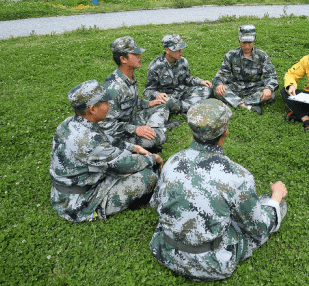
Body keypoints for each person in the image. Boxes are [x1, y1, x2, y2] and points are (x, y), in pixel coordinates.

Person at [150, 99, 288, 281]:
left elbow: (155, 204)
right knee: (273, 205)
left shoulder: (172, 161)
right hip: (209, 264)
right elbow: (259, 227)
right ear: (225, 132)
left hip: (164, 251)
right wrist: (276, 197)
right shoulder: (237, 176)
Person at [50, 80, 163, 223]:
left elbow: (105, 139)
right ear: (92, 109)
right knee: (148, 177)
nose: (109, 105)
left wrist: (133, 147)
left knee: (132, 160)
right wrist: (154, 159)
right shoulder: (88, 141)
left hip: (69, 189)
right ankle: (99, 208)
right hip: (79, 201)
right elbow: (125, 163)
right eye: (104, 102)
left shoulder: (69, 123)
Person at [99, 36, 176, 154]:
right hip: (120, 133)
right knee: (155, 139)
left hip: (132, 119)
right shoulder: (113, 88)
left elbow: (131, 102)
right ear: (123, 59)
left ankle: (154, 130)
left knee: (162, 106)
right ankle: (158, 131)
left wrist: (149, 103)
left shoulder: (128, 76)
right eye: (135, 54)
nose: (139, 56)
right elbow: (106, 125)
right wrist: (135, 129)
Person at [212, 25, 279, 115]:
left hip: (255, 87)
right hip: (236, 86)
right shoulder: (231, 55)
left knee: (271, 94)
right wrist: (219, 84)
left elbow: (271, 76)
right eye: (244, 42)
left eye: (250, 42)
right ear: (239, 40)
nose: (247, 46)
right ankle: (246, 105)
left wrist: (268, 88)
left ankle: (236, 101)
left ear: (254, 40)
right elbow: (222, 73)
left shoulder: (262, 55)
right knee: (217, 91)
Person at [144, 34, 212, 114]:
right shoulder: (155, 66)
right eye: (176, 49)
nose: (181, 51)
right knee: (163, 102)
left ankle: (181, 107)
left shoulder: (183, 61)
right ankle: (189, 106)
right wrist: (157, 94)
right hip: (168, 97)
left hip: (181, 93)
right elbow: (148, 90)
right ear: (167, 50)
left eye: (181, 48)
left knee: (207, 89)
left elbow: (187, 79)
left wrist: (200, 82)